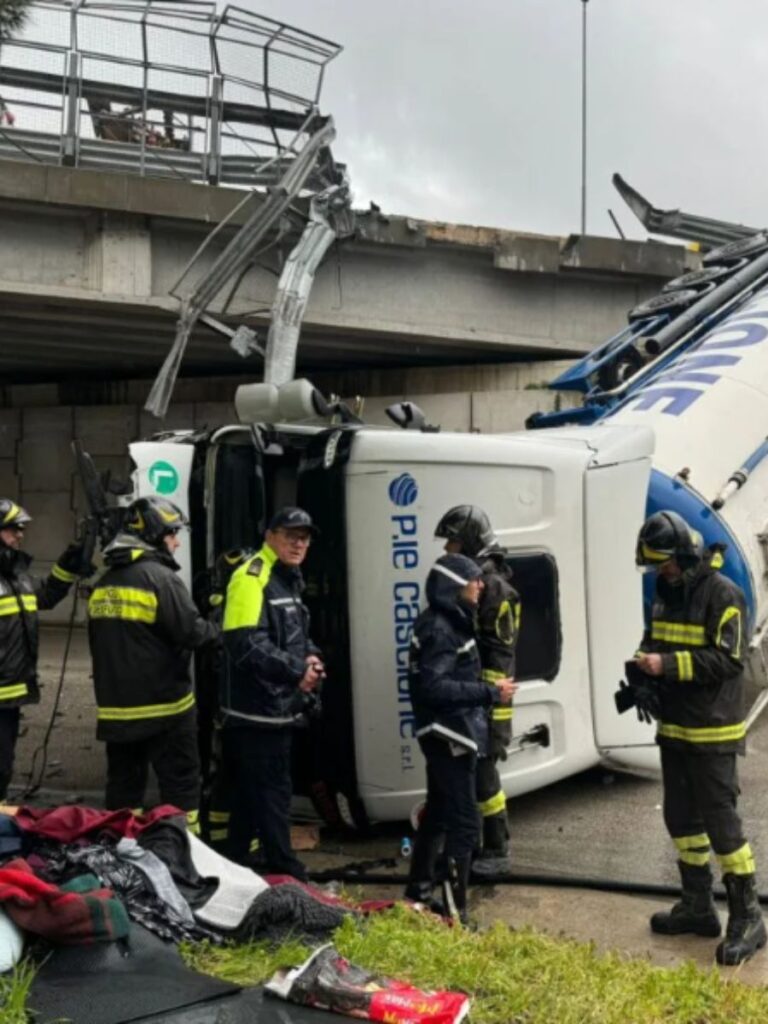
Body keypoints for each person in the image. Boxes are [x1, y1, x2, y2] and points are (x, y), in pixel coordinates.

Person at [634, 509, 766, 966]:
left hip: (713, 731)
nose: (660, 572)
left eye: (665, 563)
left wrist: (666, 667)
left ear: (686, 555)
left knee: (721, 825)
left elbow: (727, 662)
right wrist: (643, 669)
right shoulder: (666, 593)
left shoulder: (723, 595)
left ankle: (749, 917)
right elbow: (656, 642)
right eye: (656, 566)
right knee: (680, 819)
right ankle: (697, 906)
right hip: (675, 728)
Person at [87, 496, 218, 832]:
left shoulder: (105, 582)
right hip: (166, 711)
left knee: (123, 792)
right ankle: (186, 852)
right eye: (173, 533)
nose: (176, 541)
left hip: (117, 711)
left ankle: (121, 854)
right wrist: (219, 622)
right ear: (158, 534)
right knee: (181, 787)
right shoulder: (160, 579)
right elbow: (193, 633)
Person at [404, 553, 515, 923]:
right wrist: (489, 694)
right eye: (473, 580)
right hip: (448, 735)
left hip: (451, 735)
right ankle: (456, 915)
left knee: (437, 814)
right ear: (454, 585)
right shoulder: (440, 628)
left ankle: (417, 896)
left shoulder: (447, 622)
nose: (481, 585)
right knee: (465, 825)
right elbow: (433, 688)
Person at [220, 507, 324, 880]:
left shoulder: (287, 578)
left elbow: (293, 635)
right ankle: (286, 870)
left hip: (276, 707)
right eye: (290, 535)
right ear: (269, 536)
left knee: (251, 795)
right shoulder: (253, 577)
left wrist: (311, 656)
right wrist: (297, 671)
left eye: (305, 537)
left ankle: (234, 864)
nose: (299, 543)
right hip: (257, 712)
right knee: (274, 792)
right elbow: (245, 644)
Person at [434, 505, 521, 874]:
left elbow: (498, 658)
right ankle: (468, 846)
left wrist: (490, 713)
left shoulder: (495, 588)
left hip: (487, 701)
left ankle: (498, 850)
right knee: (467, 772)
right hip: (470, 697)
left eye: (453, 542)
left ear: (469, 542)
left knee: (485, 776)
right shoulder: (468, 580)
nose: (448, 549)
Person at [0, 499, 86, 799]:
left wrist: (66, 565)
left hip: (8, 699)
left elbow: (46, 595)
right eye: (13, 529)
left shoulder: (18, 577)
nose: (20, 535)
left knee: (2, 768)